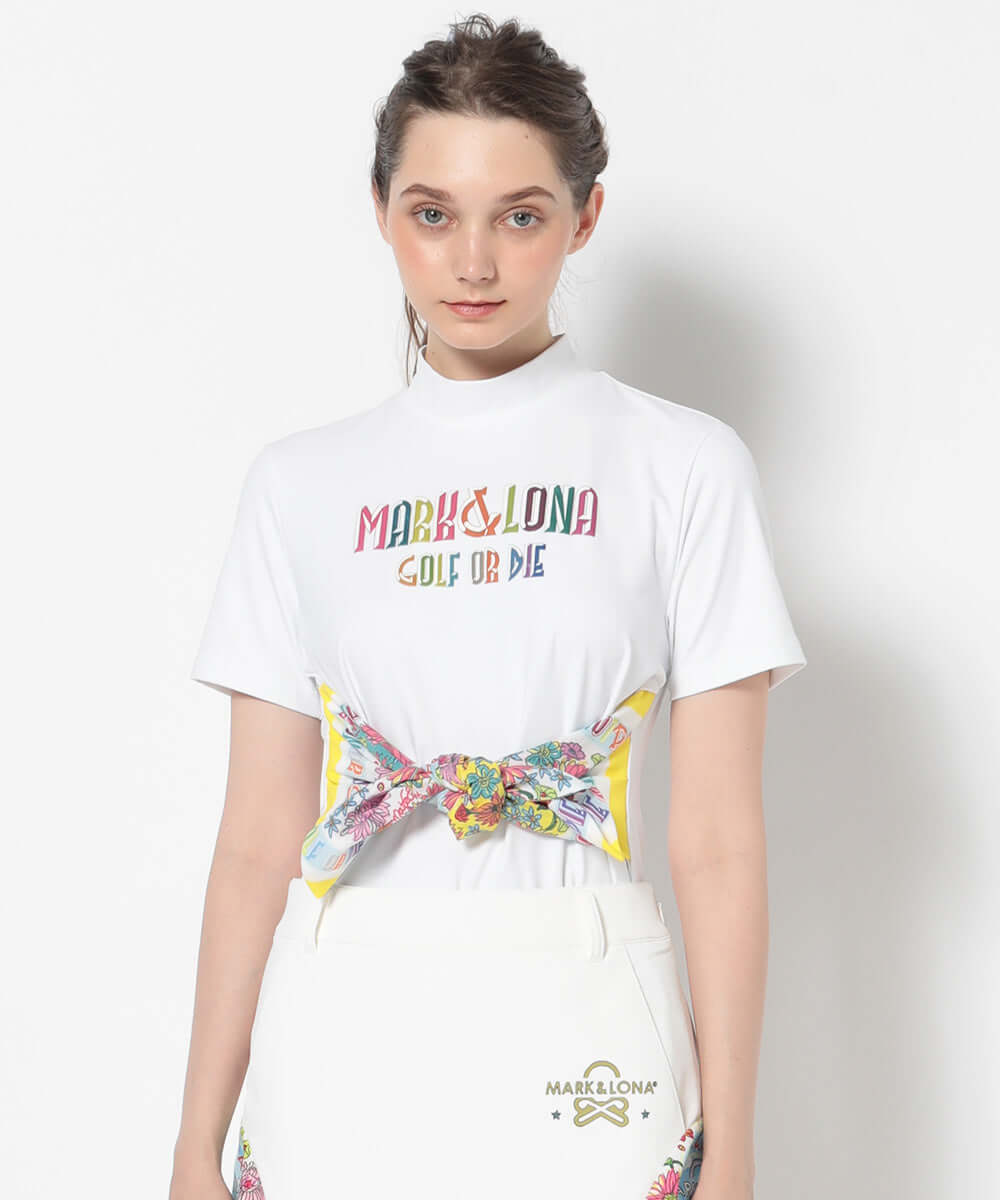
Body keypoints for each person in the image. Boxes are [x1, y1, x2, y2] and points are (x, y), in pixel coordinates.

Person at [169, 14, 807, 1200]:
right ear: (380, 210)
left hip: (590, 1012)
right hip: (344, 1015)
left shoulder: (682, 464)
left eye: (519, 216)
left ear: (584, 217)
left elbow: (718, 840)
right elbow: (257, 840)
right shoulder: (298, 483)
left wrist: (734, 1153)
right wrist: (191, 1147)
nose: (473, 263)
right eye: (433, 213)